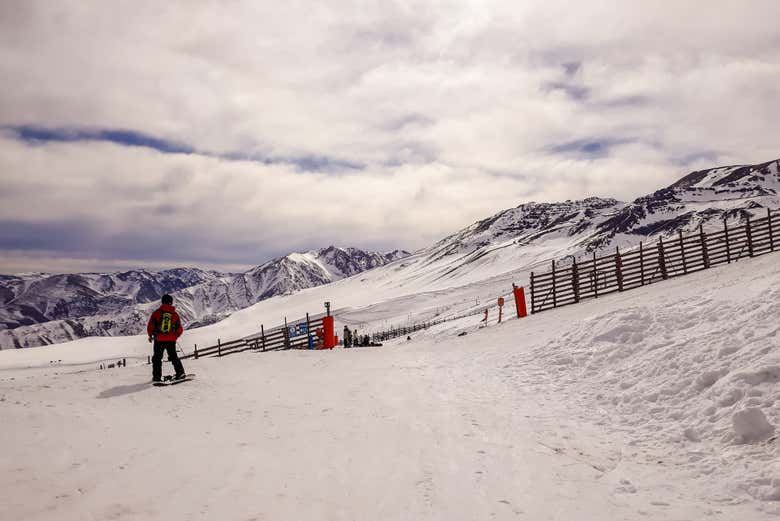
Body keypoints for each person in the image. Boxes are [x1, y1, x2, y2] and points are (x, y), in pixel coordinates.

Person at [147, 294, 185, 382]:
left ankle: (157, 377)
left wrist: (150, 335)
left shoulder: (156, 313)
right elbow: (180, 329)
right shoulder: (175, 314)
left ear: (162, 302)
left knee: (157, 358)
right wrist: (175, 336)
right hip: (171, 340)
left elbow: (151, 326)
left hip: (159, 340)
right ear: (171, 302)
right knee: (173, 356)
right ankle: (180, 373)